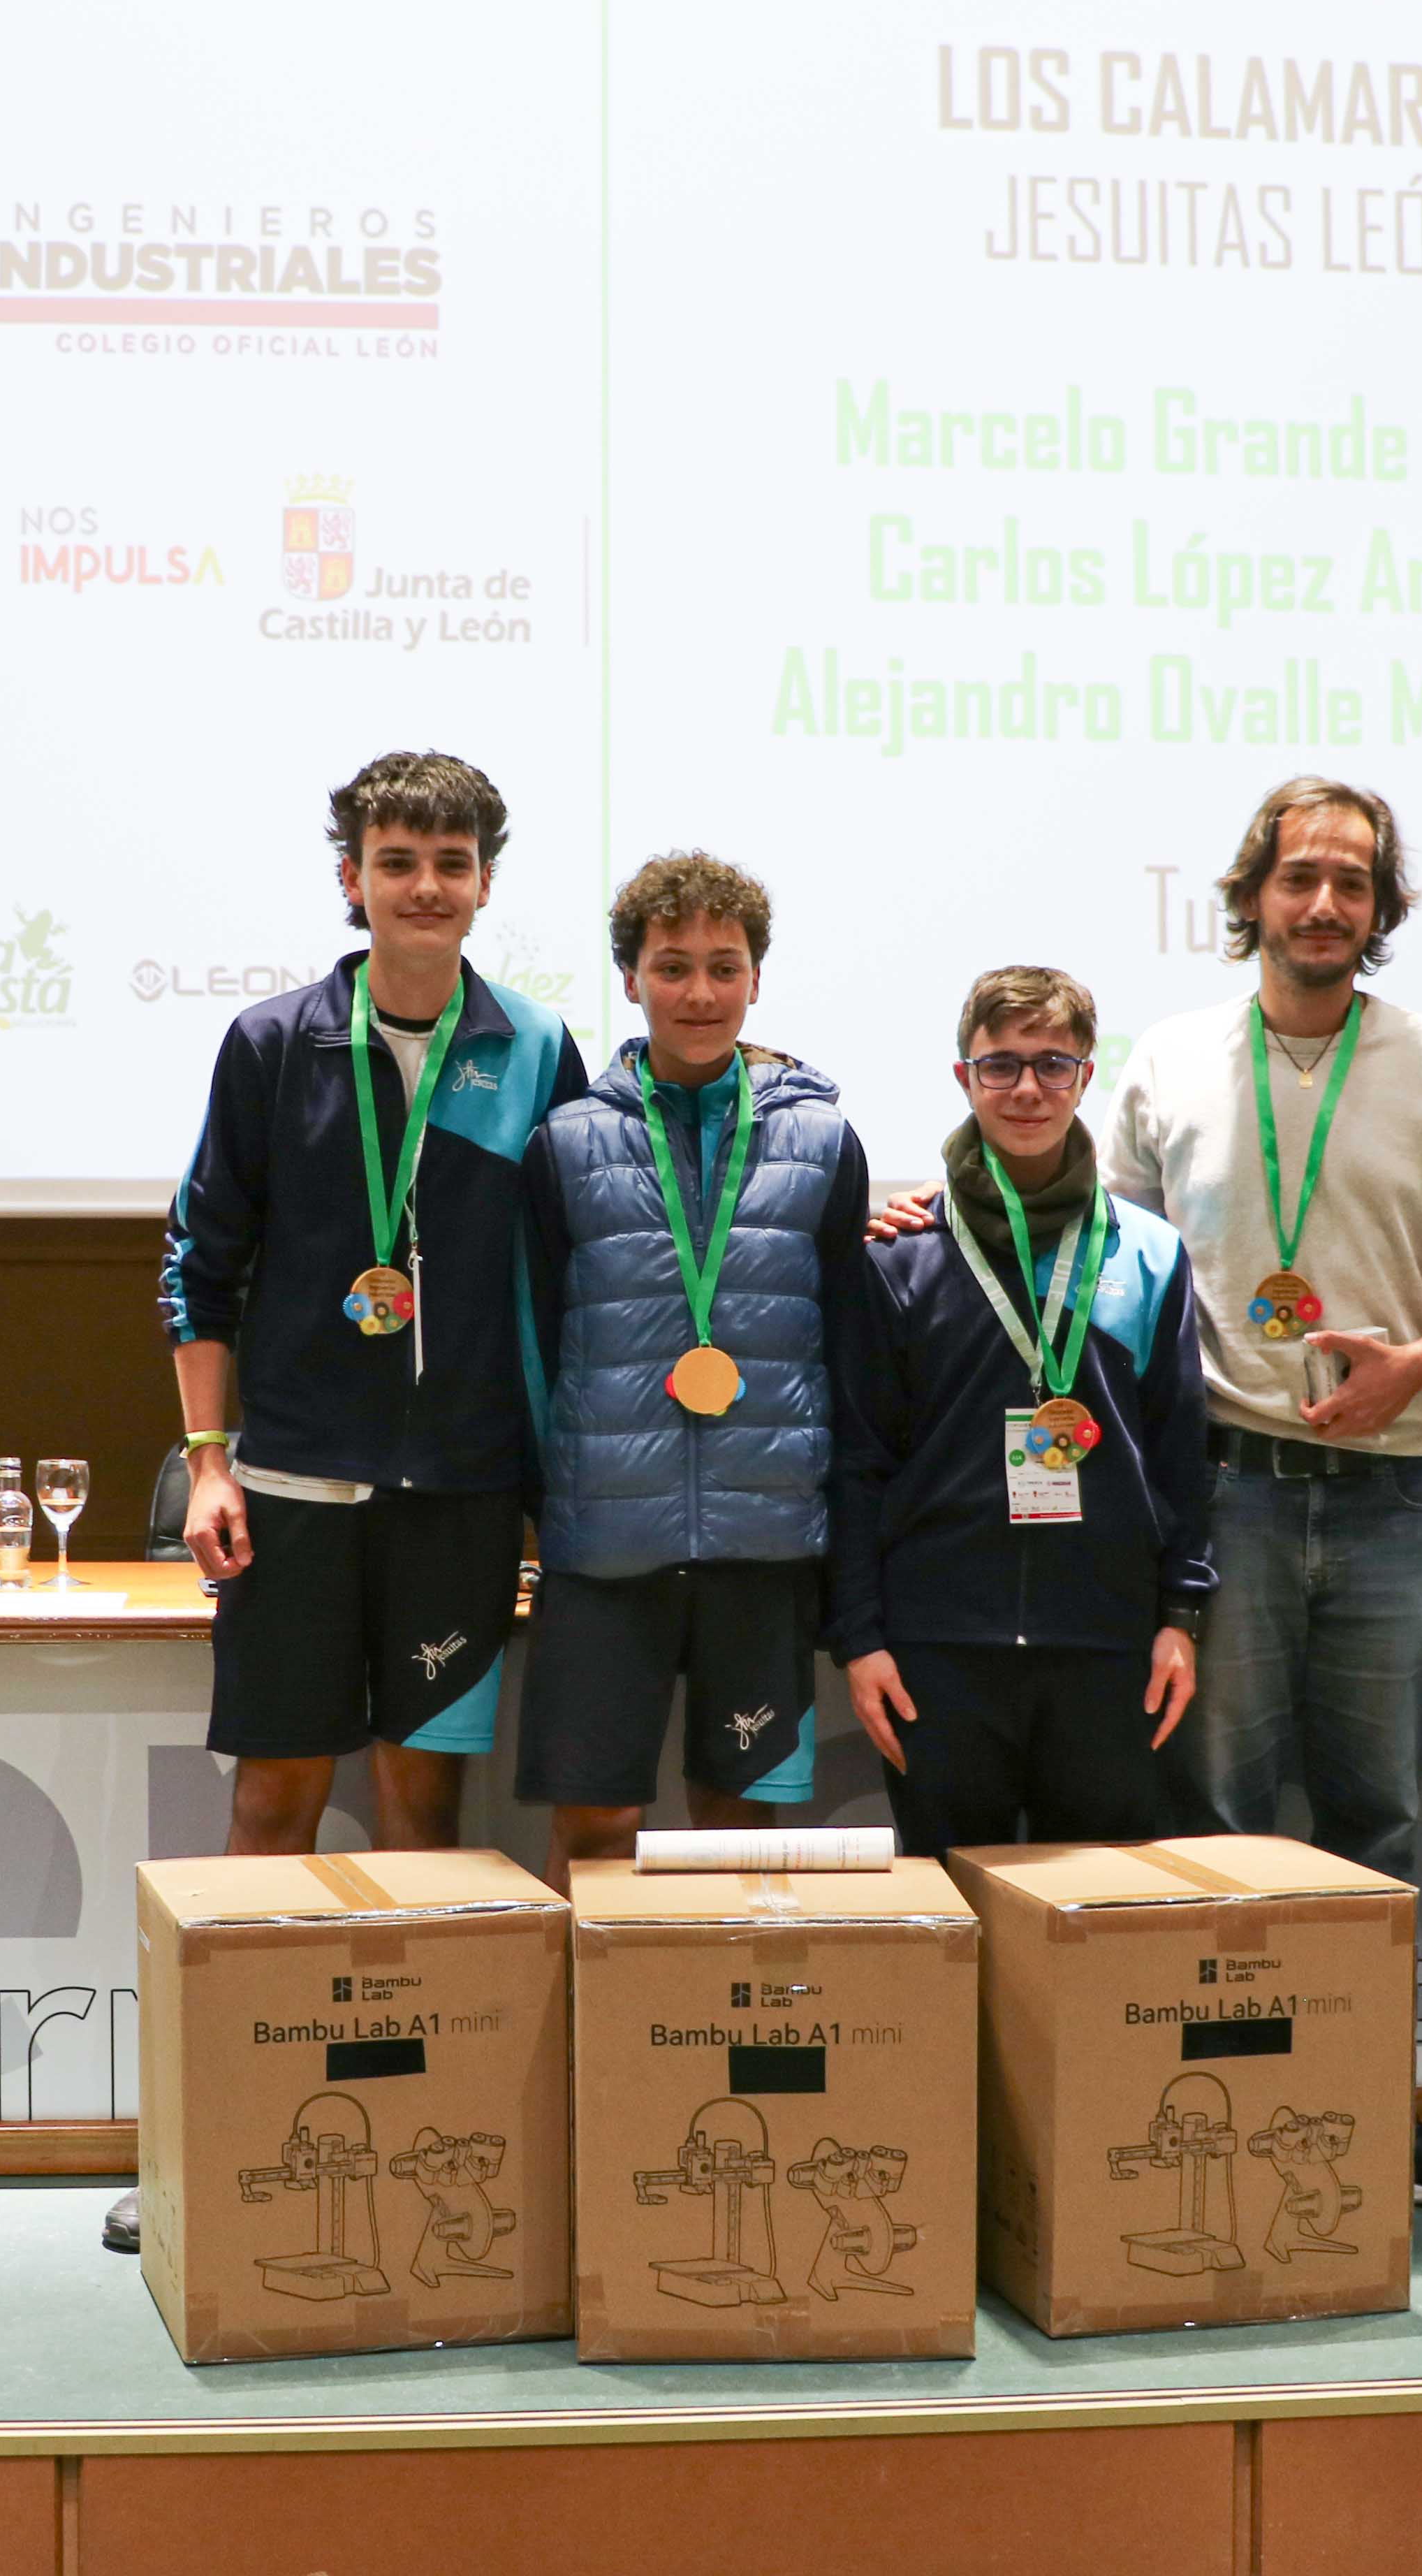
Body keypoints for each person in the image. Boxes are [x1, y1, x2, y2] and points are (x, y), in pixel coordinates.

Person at [125, 752, 586, 2257]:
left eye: (452, 859)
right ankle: (223, 2129)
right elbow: (203, 1257)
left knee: (425, 1810)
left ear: (485, 882)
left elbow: (592, 1245)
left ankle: (418, 2131)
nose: (426, 885)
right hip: (294, 1488)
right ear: (353, 877)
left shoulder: (537, 1046)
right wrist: (206, 1461)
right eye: (398, 858)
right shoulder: (271, 1046)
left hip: (461, 1492)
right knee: (270, 1798)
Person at [1097, 776, 1422, 2209]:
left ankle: (1355, 2108)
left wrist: (1416, 1366)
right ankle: (1218, 2111)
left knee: (1373, 1823)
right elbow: (1107, 1272)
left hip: (1399, 1497)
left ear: (1382, 907)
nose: (1326, 904)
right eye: (1300, 877)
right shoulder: (1165, 1061)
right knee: (1216, 1818)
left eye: (1354, 881)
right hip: (1226, 1497)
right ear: (1252, 895)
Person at [516, 852, 872, 1881]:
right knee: (592, 1836)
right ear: (630, 979)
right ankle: (599, 2043)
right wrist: (548, 1502)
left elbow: (844, 1342)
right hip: (603, 1548)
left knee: (735, 1839)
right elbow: (534, 1339)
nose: (701, 993)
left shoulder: (823, 1140)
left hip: (763, 1550)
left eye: (725, 966)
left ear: (758, 977)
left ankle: (703, 2041)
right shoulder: (568, 1142)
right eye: (673, 967)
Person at [835, 966, 1205, 1853]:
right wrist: (860, 1639)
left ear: (1087, 1075)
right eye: (1000, 1065)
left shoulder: (1149, 1253)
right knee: (950, 1929)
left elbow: (1181, 1453)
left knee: (1095, 1936)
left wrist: (1180, 1619)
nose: (1028, 1088)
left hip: (1108, 1650)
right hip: (937, 1653)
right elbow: (856, 1462)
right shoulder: (900, 1257)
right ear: (964, 1078)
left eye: (1053, 1063)